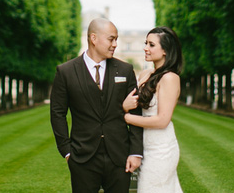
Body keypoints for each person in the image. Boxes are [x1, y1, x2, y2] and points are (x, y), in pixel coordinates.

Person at [50, 18, 143, 193]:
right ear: (94, 38)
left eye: (116, 39)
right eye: (111, 39)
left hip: (120, 156)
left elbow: (137, 113)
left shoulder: (125, 70)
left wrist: (135, 152)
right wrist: (67, 151)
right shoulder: (66, 72)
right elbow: (57, 113)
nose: (115, 44)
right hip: (82, 157)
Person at [122, 26, 183, 193]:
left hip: (161, 148)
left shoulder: (170, 78)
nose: (145, 48)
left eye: (151, 44)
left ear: (165, 50)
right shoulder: (145, 74)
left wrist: (125, 117)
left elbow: (162, 120)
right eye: (145, 43)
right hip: (144, 146)